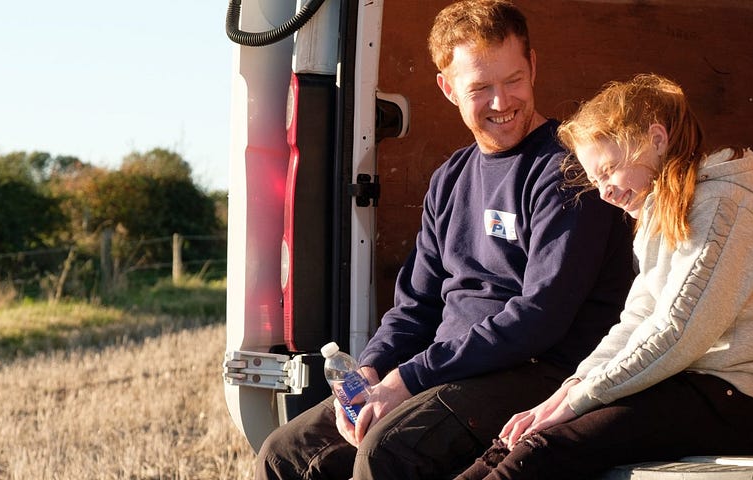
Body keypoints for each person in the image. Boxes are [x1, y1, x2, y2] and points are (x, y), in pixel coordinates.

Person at [252, 1, 637, 479]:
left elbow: (540, 318)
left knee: (388, 451)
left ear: (534, 66)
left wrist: (410, 379)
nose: (502, 102)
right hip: (451, 370)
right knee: (284, 451)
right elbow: (415, 306)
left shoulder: (569, 170)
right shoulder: (450, 178)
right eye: (480, 88)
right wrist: (372, 372)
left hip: (539, 372)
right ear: (448, 88)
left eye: (513, 79)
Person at [454, 73, 753, 480]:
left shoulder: (722, 206)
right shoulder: (664, 212)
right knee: (514, 440)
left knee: (546, 448)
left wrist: (578, 401)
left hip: (732, 395)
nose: (604, 192)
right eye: (595, 180)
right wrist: (572, 387)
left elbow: (675, 331)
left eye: (609, 170)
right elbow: (636, 320)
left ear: (657, 139)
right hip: (684, 382)